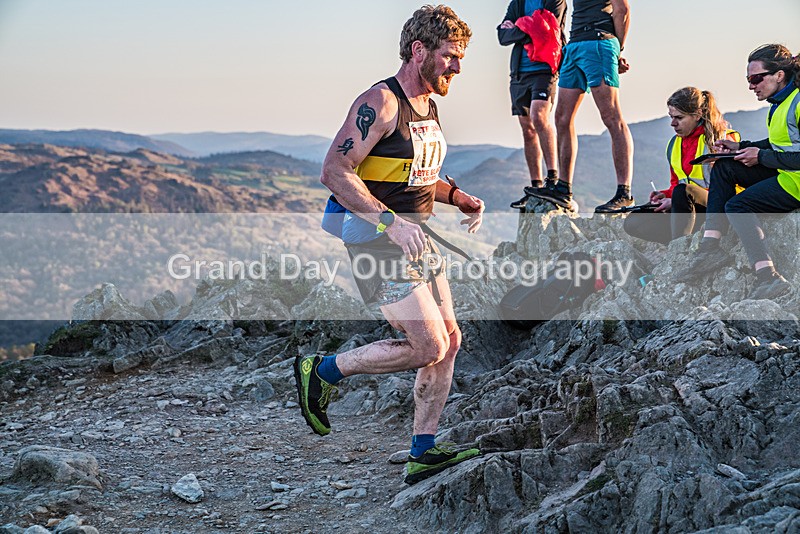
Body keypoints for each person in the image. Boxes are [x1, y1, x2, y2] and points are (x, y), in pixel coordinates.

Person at [293, 5, 485, 485]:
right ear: (419, 51)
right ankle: (323, 370)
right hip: (377, 239)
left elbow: (414, 173)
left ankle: (423, 450)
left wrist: (456, 196)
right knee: (428, 344)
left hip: (416, 236)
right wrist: (389, 223)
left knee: (450, 343)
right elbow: (334, 171)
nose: (457, 68)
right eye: (450, 56)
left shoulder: (429, 104)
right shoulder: (380, 102)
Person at [677, 44, 800, 300]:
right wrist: (740, 147)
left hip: (795, 183)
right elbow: (782, 143)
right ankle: (710, 248)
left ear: (779, 75)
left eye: (756, 78)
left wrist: (761, 157)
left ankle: (768, 277)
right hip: (786, 173)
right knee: (723, 165)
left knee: (738, 206)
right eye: (748, 79)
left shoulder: (797, 103)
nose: (751, 85)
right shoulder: (779, 103)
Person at [530, 0, 635, 213]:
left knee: (611, 116)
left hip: (599, 42)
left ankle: (624, 193)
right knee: (561, 118)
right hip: (575, 45)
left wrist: (617, 50)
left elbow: (622, 9)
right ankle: (563, 189)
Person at [623, 87, 739, 245]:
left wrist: (677, 199)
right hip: (689, 209)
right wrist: (665, 196)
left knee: (683, 192)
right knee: (634, 222)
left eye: (679, 117)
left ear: (697, 115)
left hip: (719, 207)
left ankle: (679, 249)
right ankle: (685, 241)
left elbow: (731, 186)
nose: (672, 123)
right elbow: (676, 185)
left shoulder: (724, 139)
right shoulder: (674, 145)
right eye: (671, 117)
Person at [497, 0, 567, 210]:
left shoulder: (556, 0)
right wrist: (529, 26)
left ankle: (553, 179)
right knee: (527, 130)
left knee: (539, 117)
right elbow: (502, 36)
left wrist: (518, 26)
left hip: (545, 68)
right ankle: (536, 186)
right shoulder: (518, 2)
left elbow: (547, 29)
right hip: (519, 72)